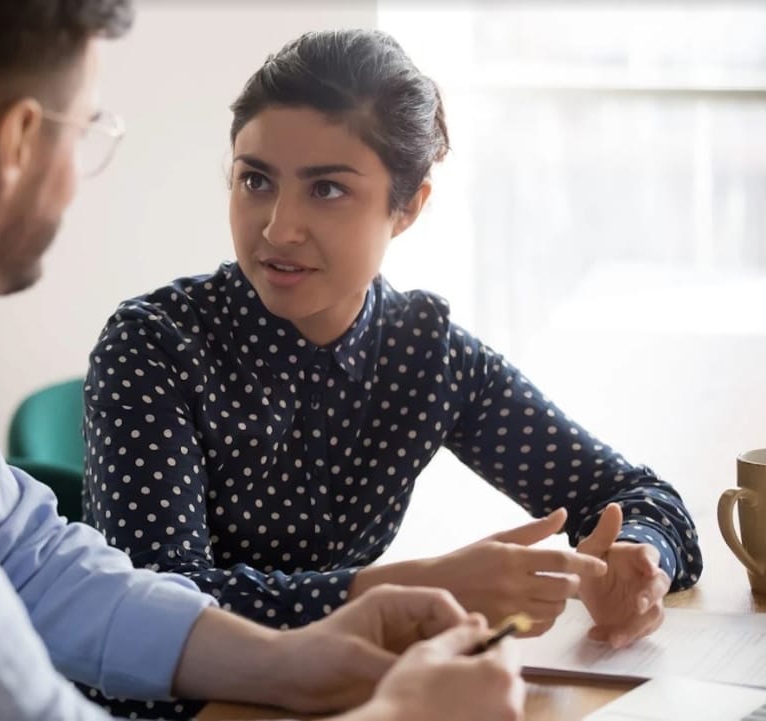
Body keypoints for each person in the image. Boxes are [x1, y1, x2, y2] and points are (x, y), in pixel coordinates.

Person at [0, 3, 527, 721]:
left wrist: (290, 658)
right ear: (16, 141)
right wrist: (400, 714)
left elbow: (28, 557)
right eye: (87, 128)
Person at [84, 28, 702, 653]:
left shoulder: (425, 358)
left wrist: (637, 564)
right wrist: (415, 592)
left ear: (407, 208)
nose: (279, 227)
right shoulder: (153, 345)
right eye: (256, 181)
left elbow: (638, 496)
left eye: (327, 189)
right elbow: (152, 603)